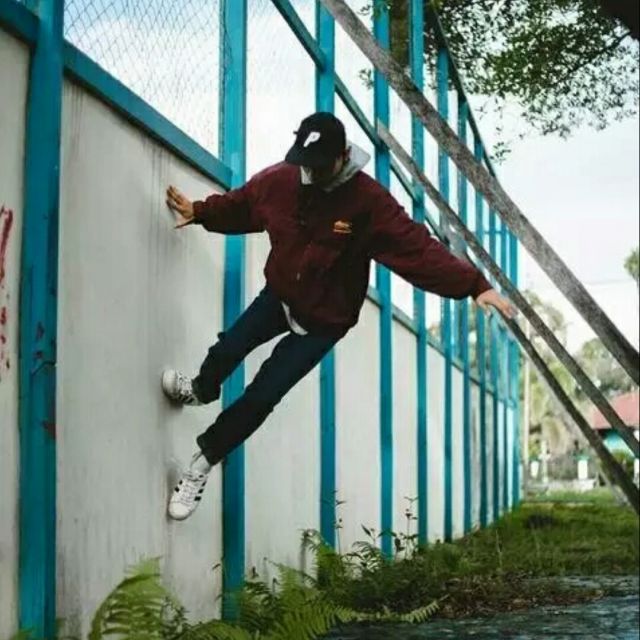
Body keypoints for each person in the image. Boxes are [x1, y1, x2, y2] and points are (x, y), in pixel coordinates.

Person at [163, 112, 513, 521]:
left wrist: (473, 284)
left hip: (324, 322)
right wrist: (201, 211)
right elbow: (244, 204)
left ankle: (203, 461)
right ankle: (201, 389)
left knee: (262, 395)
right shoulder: (282, 179)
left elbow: (417, 248)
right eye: (305, 164)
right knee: (229, 347)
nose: (310, 173)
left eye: (320, 165)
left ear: (343, 156)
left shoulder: (368, 202)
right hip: (280, 295)